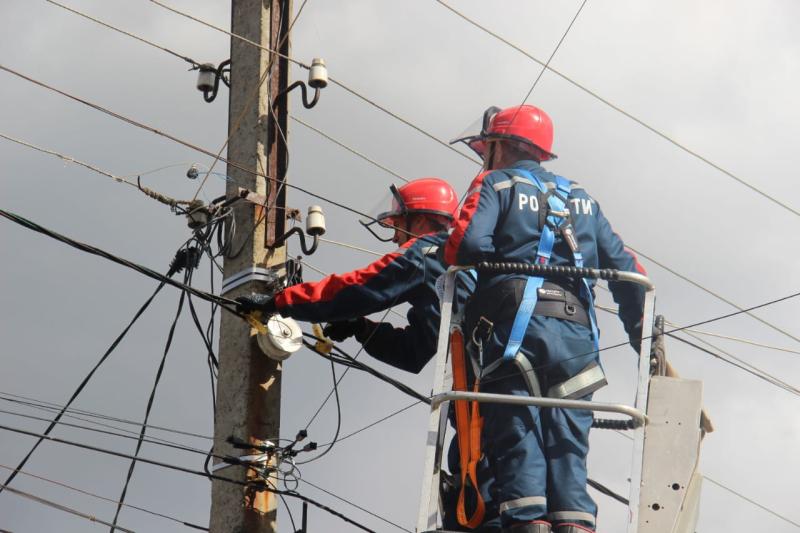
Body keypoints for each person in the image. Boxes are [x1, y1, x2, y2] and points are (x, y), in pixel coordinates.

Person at [235, 178, 498, 530]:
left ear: (419, 221)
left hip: (486, 404)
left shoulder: (429, 252)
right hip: (483, 403)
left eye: (398, 226)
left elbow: (361, 287)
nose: (395, 238)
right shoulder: (457, 272)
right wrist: (362, 328)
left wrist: (281, 301)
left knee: (484, 503)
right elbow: (414, 351)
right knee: (484, 498)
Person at [444, 105, 647, 533]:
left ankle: (527, 523)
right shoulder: (583, 199)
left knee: (519, 439)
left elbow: (465, 245)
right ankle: (575, 524)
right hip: (577, 342)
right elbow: (630, 274)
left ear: (499, 146)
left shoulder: (495, 183)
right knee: (569, 446)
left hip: (515, 335)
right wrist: (641, 339)